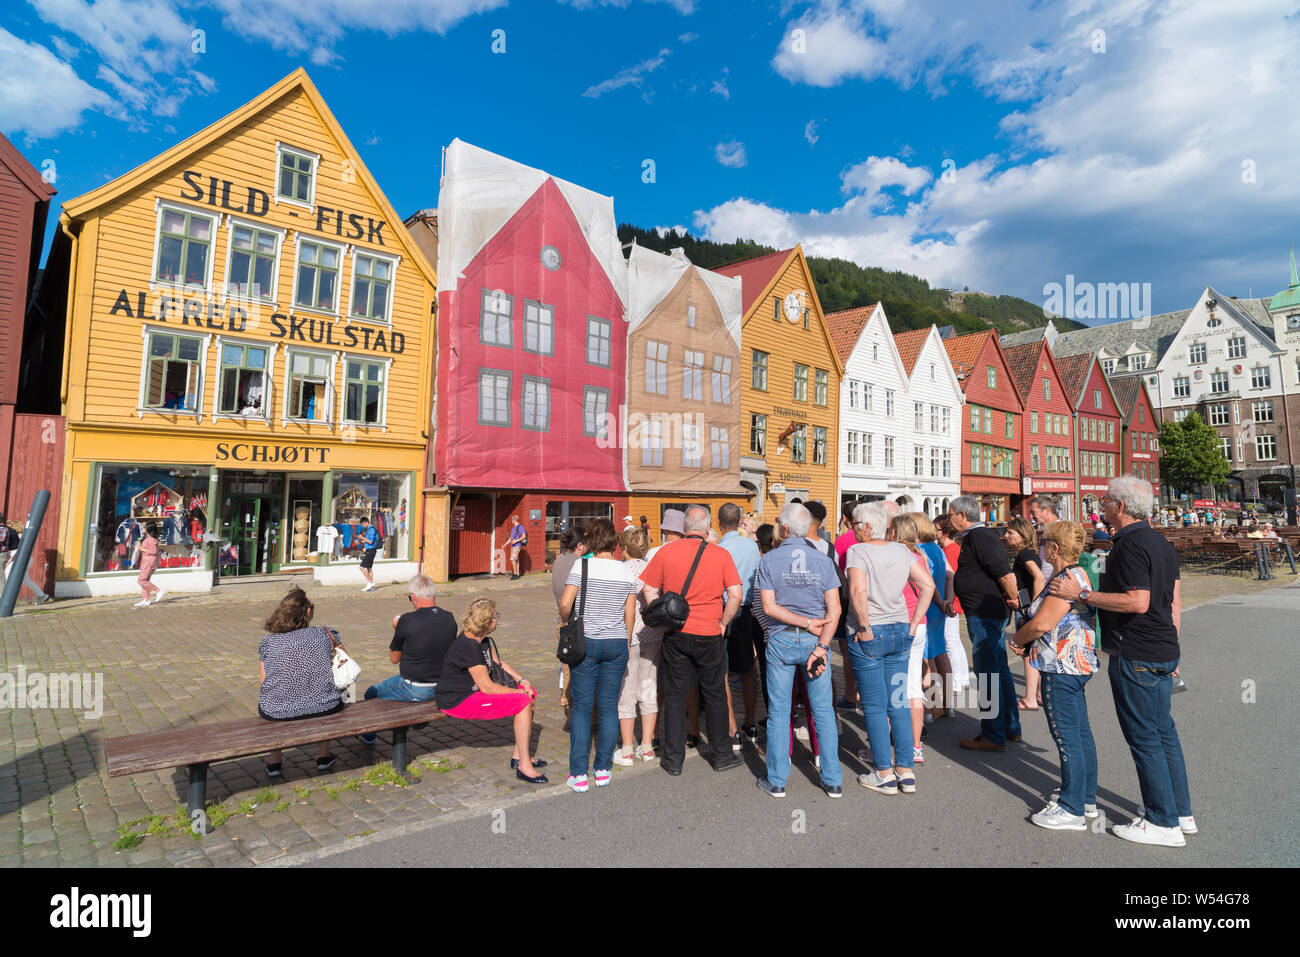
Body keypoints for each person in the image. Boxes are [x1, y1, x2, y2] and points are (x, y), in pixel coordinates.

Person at [1048, 476, 1194, 846]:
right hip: (1160, 647)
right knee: (1163, 734)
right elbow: (1173, 601)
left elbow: (1137, 601)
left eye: (1106, 501)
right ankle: (1178, 812)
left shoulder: (1129, 545)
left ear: (1120, 507)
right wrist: (1172, 648)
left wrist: (1083, 593)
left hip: (1138, 649)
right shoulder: (1161, 543)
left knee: (1144, 737)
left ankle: (1162, 821)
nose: (1102, 506)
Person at [639, 505, 743, 775]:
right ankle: (721, 755)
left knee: (674, 695)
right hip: (709, 633)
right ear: (707, 529)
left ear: (685, 528)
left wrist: (663, 616)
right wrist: (723, 623)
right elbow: (735, 595)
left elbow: (649, 589)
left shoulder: (666, 552)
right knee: (716, 694)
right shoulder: (721, 555)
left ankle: (673, 760)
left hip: (677, 632)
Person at [1009, 521, 1099, 830]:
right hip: (1073, 662)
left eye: (1045, 542)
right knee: (1080, 734)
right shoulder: (1075, 575)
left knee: (1066, 736)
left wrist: (1017, 640)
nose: (1041, 547)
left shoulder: (1065, 579)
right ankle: (1084, 797)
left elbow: (1042, 624)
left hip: (1061, 665)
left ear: (1055, 548)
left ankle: (1072, 807)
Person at [753, 503, 843, 798]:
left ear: (785, 528)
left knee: (779, 711)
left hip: (781, 639)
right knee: (823, 710)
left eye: (779, 522)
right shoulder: (823, 560)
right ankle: (832, 779)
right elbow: (835, 610)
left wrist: (804, 622)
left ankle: (777, 779)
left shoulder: (769, 560)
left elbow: (768, 608)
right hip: (814, 643)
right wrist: (822, 645)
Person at [845, 502, 935, 795]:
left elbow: (858, 591)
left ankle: (884, 772)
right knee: (897, 699)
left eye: (855, 524)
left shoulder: (859, 552)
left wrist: (865, 626)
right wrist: (913, 622)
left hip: (871, 632)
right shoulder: (901, 551)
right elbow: (928, 586)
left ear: (867, 527)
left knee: (873, 704)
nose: (852, 529)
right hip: (899, 630)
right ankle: (905, 770)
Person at [559, 520, 637, 791]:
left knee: (581, 708)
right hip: (616, 642)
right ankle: (603, 769)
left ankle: (579, 773)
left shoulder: (582, 566)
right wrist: (626, 639)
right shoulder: (626, 571)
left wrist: (568, 620)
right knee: (608, 708)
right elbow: (630, 612)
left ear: (592, 541)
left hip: (587, 641)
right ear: (615, 543)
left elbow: (565, 603)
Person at [437, 598, 546, 783]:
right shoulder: (468, 646)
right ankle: (524, 766)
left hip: (473, 693)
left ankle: (519, 755)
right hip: (458, 701)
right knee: (523, 701)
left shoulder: (481, 640)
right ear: (488, 622)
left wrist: (522, 680)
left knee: (529, 692)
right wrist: (518, 694)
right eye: (496, 616)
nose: (497, 619)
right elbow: (487, 687)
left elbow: (497, 662)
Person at [947, 495, 1022, 751]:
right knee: (999, 669)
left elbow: (1004, 572)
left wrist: (1014, 599)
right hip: (987, 611)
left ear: (962, 515)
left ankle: (992, 733)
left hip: (985, 612)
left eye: (951, 514)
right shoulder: (979, 536)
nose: (950, 519)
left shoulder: (978, 537)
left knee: (988, 673)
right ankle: (1009, 727)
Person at [359, 575, 457, 744]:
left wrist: (397, 630)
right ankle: (419, 718)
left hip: (415, 688)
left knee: (371, 693)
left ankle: (369, 736)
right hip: (442, 685)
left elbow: (394, 658)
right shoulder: (449, 618)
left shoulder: (407, 620)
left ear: (413, 597)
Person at [257, 587, 345, 776]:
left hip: (277, 711)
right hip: (325, 705)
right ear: (307, 612)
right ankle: (323, 755)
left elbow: (264, 680)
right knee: (326, 692)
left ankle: (275, 762)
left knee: (274, 696)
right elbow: (343, 663)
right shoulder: (325, 634)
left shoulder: (269, 642)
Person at [890, 514, 942, 764]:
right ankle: (915, 745)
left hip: (901, 624)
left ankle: (896, 743)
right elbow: (929, 587)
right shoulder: (920, 554)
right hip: (918, 625)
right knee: (912, 687)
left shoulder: (896, 555)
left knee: (892, 686)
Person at [614, 528, 663, 765]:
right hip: (652, 634)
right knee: (649, 688)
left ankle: (626, 749)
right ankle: (647, 745)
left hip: (628, 635)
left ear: (624, 547)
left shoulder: (621, 570)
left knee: (626, 691)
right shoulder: (653, 568)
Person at [716, 502, 763, 744]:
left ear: (719, 522)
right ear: (738, 521)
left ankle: (732, 728)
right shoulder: (752, 547)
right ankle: (751, 722)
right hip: (746, 611)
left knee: (723, 671)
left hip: (723, 610)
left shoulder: (718, 548)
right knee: (747, 669)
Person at [908, 512, 954, 725]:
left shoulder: (920, 551)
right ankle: (947, 704)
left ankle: (930, 707)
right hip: (940, 605)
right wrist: (948, 600)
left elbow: (925, 582)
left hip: (926, 604)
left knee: (925, 659)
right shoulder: (937, 548)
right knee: (940, 652)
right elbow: (950, 574)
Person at [1005, 517, 1046, 711]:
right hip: (1025, 606)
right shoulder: (1027, 553)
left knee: (1028, 652)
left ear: (1022, 535)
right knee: (1032, 650)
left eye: (1010, 533)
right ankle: (1038, 694)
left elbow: (1039, 576)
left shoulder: (1024, 555)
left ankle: (1030, 697)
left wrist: (1033, 606)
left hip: (1027, 609)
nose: (1006, 536)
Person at [934, 515, 971, 707]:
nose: (935, 534)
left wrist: (950, 601)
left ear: (946, 531)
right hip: (954, 600)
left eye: (938, 530)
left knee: (950, 641)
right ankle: (962, 678)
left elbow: (952, 577)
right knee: (955, 640)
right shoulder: (952, 549)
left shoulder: (949, 551)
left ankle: (956, 681)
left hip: (950, 601)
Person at [0, 515, 52, 605]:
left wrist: (10, 560)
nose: (9, 528)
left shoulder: (19, 536)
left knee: (7, 577)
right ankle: (42, 595)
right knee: (26, 580)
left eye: (11, 526)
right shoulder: (23, 535)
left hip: (19, 558)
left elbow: (19, 550)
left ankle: (8, 601)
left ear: (15, 527)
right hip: (26, 559)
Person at [134, 521, 164, 607]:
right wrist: (139, 548)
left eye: (145, 527)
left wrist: (141, 548)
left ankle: (158, 591)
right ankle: (146, 600)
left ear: (148, 529)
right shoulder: (148, 538)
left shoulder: (151, 540)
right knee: (145, 581)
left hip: (149, 563)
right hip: (146, 562)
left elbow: (154, 551)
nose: (143, 528)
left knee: (141, 580)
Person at [358, 515, 381, 591]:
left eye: (363, 524)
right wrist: (364, 540)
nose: (363, 526)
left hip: (371, 550)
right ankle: (371, 587)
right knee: (369, 568)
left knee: (361, 567)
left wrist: (362, 538)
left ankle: (370, 582)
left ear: (366, 522)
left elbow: (370, 542)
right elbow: (370, 541)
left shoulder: (371, 529)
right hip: (371, 550)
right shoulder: (369, 529)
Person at [506, 515, 527, 580]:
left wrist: (516, 541)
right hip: (513, 546)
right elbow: (511, 538)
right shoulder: (513, 528)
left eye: (512, 520)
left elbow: (524, 536)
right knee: (516, 560)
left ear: (514, 520)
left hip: (517, 546)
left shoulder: (520, 527)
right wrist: (505, 544)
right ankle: (517, 574)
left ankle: (515, 574)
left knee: (512, 559)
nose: (511, 521)